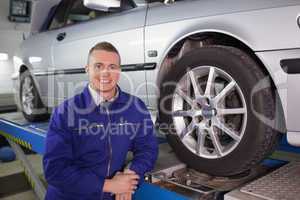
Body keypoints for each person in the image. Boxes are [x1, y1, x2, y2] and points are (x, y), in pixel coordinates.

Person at [43, 42, 158, 200]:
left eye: (112, 67)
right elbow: (55, 169)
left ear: (119, 71)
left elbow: (148, 149)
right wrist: (109, 185)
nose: (105, 73)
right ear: (87, 69)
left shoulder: (135, 107)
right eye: (98, 66)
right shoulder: (65, 112)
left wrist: (130, 177)